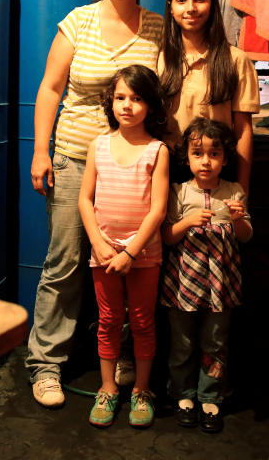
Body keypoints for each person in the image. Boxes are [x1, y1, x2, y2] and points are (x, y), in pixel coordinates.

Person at [26, 0, 163, 409]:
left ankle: (125, 354)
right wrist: (40, 151)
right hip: (74, 158)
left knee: (130, 262)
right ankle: (46, 365)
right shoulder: (76, 24)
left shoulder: (158, 31)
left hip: (133, 168)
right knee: (65, 262)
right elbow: (50, 88)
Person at [78, 65, 170, 428]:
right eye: (120, 98)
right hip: (102, 254)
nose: (127, 106)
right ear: (110, 102)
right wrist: (100, 245)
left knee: (144, 322)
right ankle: (107, 387)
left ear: (150, 105)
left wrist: (131, 253)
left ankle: (142, 390)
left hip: (143, 256)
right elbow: (85, 201)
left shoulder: (157, 150)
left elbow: (159, 209)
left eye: (136, 98)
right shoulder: (98, 145)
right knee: (108, 320)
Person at [160, 117, 252, 434]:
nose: (206, 161)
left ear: (225, 158)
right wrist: (187, 222)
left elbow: (245, 236)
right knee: (182, 343)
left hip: (222, 285)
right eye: (198, 153)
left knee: (215, 342)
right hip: (183, 283)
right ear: (187, 157)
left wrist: (238, 219)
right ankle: (182, 395)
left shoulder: (235, 192)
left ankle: (210, 397)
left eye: (214, 154)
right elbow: (168, 237)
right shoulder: (179, 191)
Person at [157, 0, 260, 194]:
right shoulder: (159, 60)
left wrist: (241, 191)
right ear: (171, 8)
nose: (191, 8)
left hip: (217, 172)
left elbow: (243, 132)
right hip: (169, 172)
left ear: (212, 4)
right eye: (181, 0)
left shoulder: (236, 61)